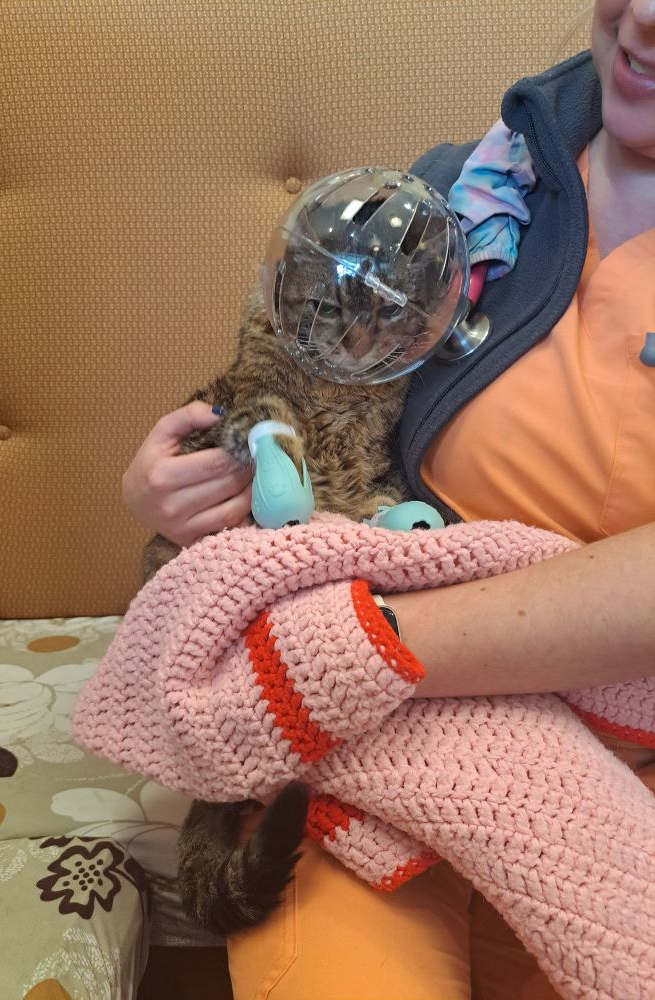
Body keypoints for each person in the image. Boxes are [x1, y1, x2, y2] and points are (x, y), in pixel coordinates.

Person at [122, 1, 655, 996]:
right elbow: (307, 392)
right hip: (385, 747)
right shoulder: (465, 190)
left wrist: (362, 647)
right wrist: (193, 480)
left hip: (516, 708)